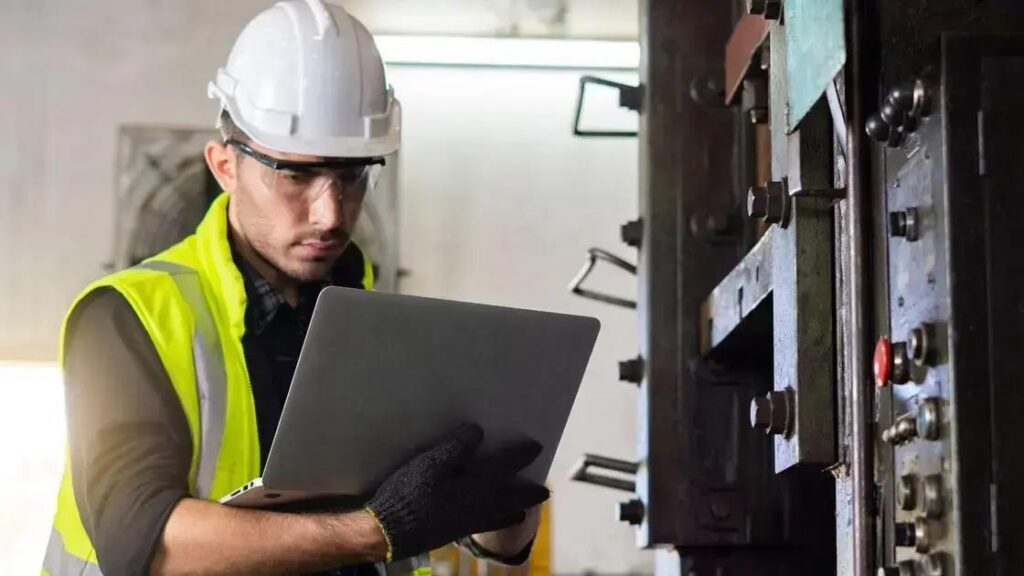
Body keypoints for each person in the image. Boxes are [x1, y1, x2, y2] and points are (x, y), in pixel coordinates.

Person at [41, 1, 548, 574]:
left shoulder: (388, 334)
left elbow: (481, 540)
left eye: (352, 175)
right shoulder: (128, 317)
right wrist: (379, 528)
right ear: (225, 166)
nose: (331, 213)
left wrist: (501, 509)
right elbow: (150, 543)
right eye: (297, 175)